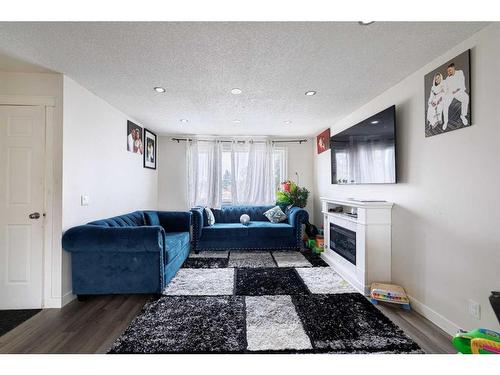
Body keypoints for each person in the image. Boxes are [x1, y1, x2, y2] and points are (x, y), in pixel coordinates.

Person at [443, 62, 469, 130]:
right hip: (450, 93)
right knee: (445, 105)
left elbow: (462, 83)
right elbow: (446, 88)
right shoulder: (447, 78)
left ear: (454, 68)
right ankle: (445, 121)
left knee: (466, 98)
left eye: (450, 70)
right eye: (448, 71)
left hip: (458, 91)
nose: (448, 72)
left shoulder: (460, 72)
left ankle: (463, 115)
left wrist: (457, 90)